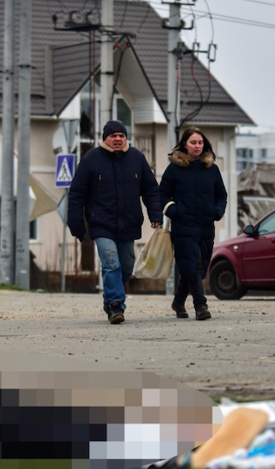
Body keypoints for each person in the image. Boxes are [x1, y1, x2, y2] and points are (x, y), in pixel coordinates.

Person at [68, 120, 163, 324]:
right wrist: (76, 225)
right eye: (113, 136)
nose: (118, 139)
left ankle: (111, 296)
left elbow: (150, 189)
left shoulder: (137, 158)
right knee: (111, 262)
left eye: (121, 135)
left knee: (127, 264)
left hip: (129, 223)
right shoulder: (91, 159)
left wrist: (155, 214)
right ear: (105, 138)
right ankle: (115, 304)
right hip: (101, 223)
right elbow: (76, 194)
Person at [158, 127, 227, 321]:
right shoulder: (175, 169)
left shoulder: (212, 169)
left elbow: (221, 195)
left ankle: (179, 301)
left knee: (200, 265)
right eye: (193, 143)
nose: (197, 146)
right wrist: (174, 211)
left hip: (206, 224)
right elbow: (161, 194)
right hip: (183, 225)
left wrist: (217, 211)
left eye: (200, 143)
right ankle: (201, 304)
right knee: (193, 263)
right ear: (185, 145)